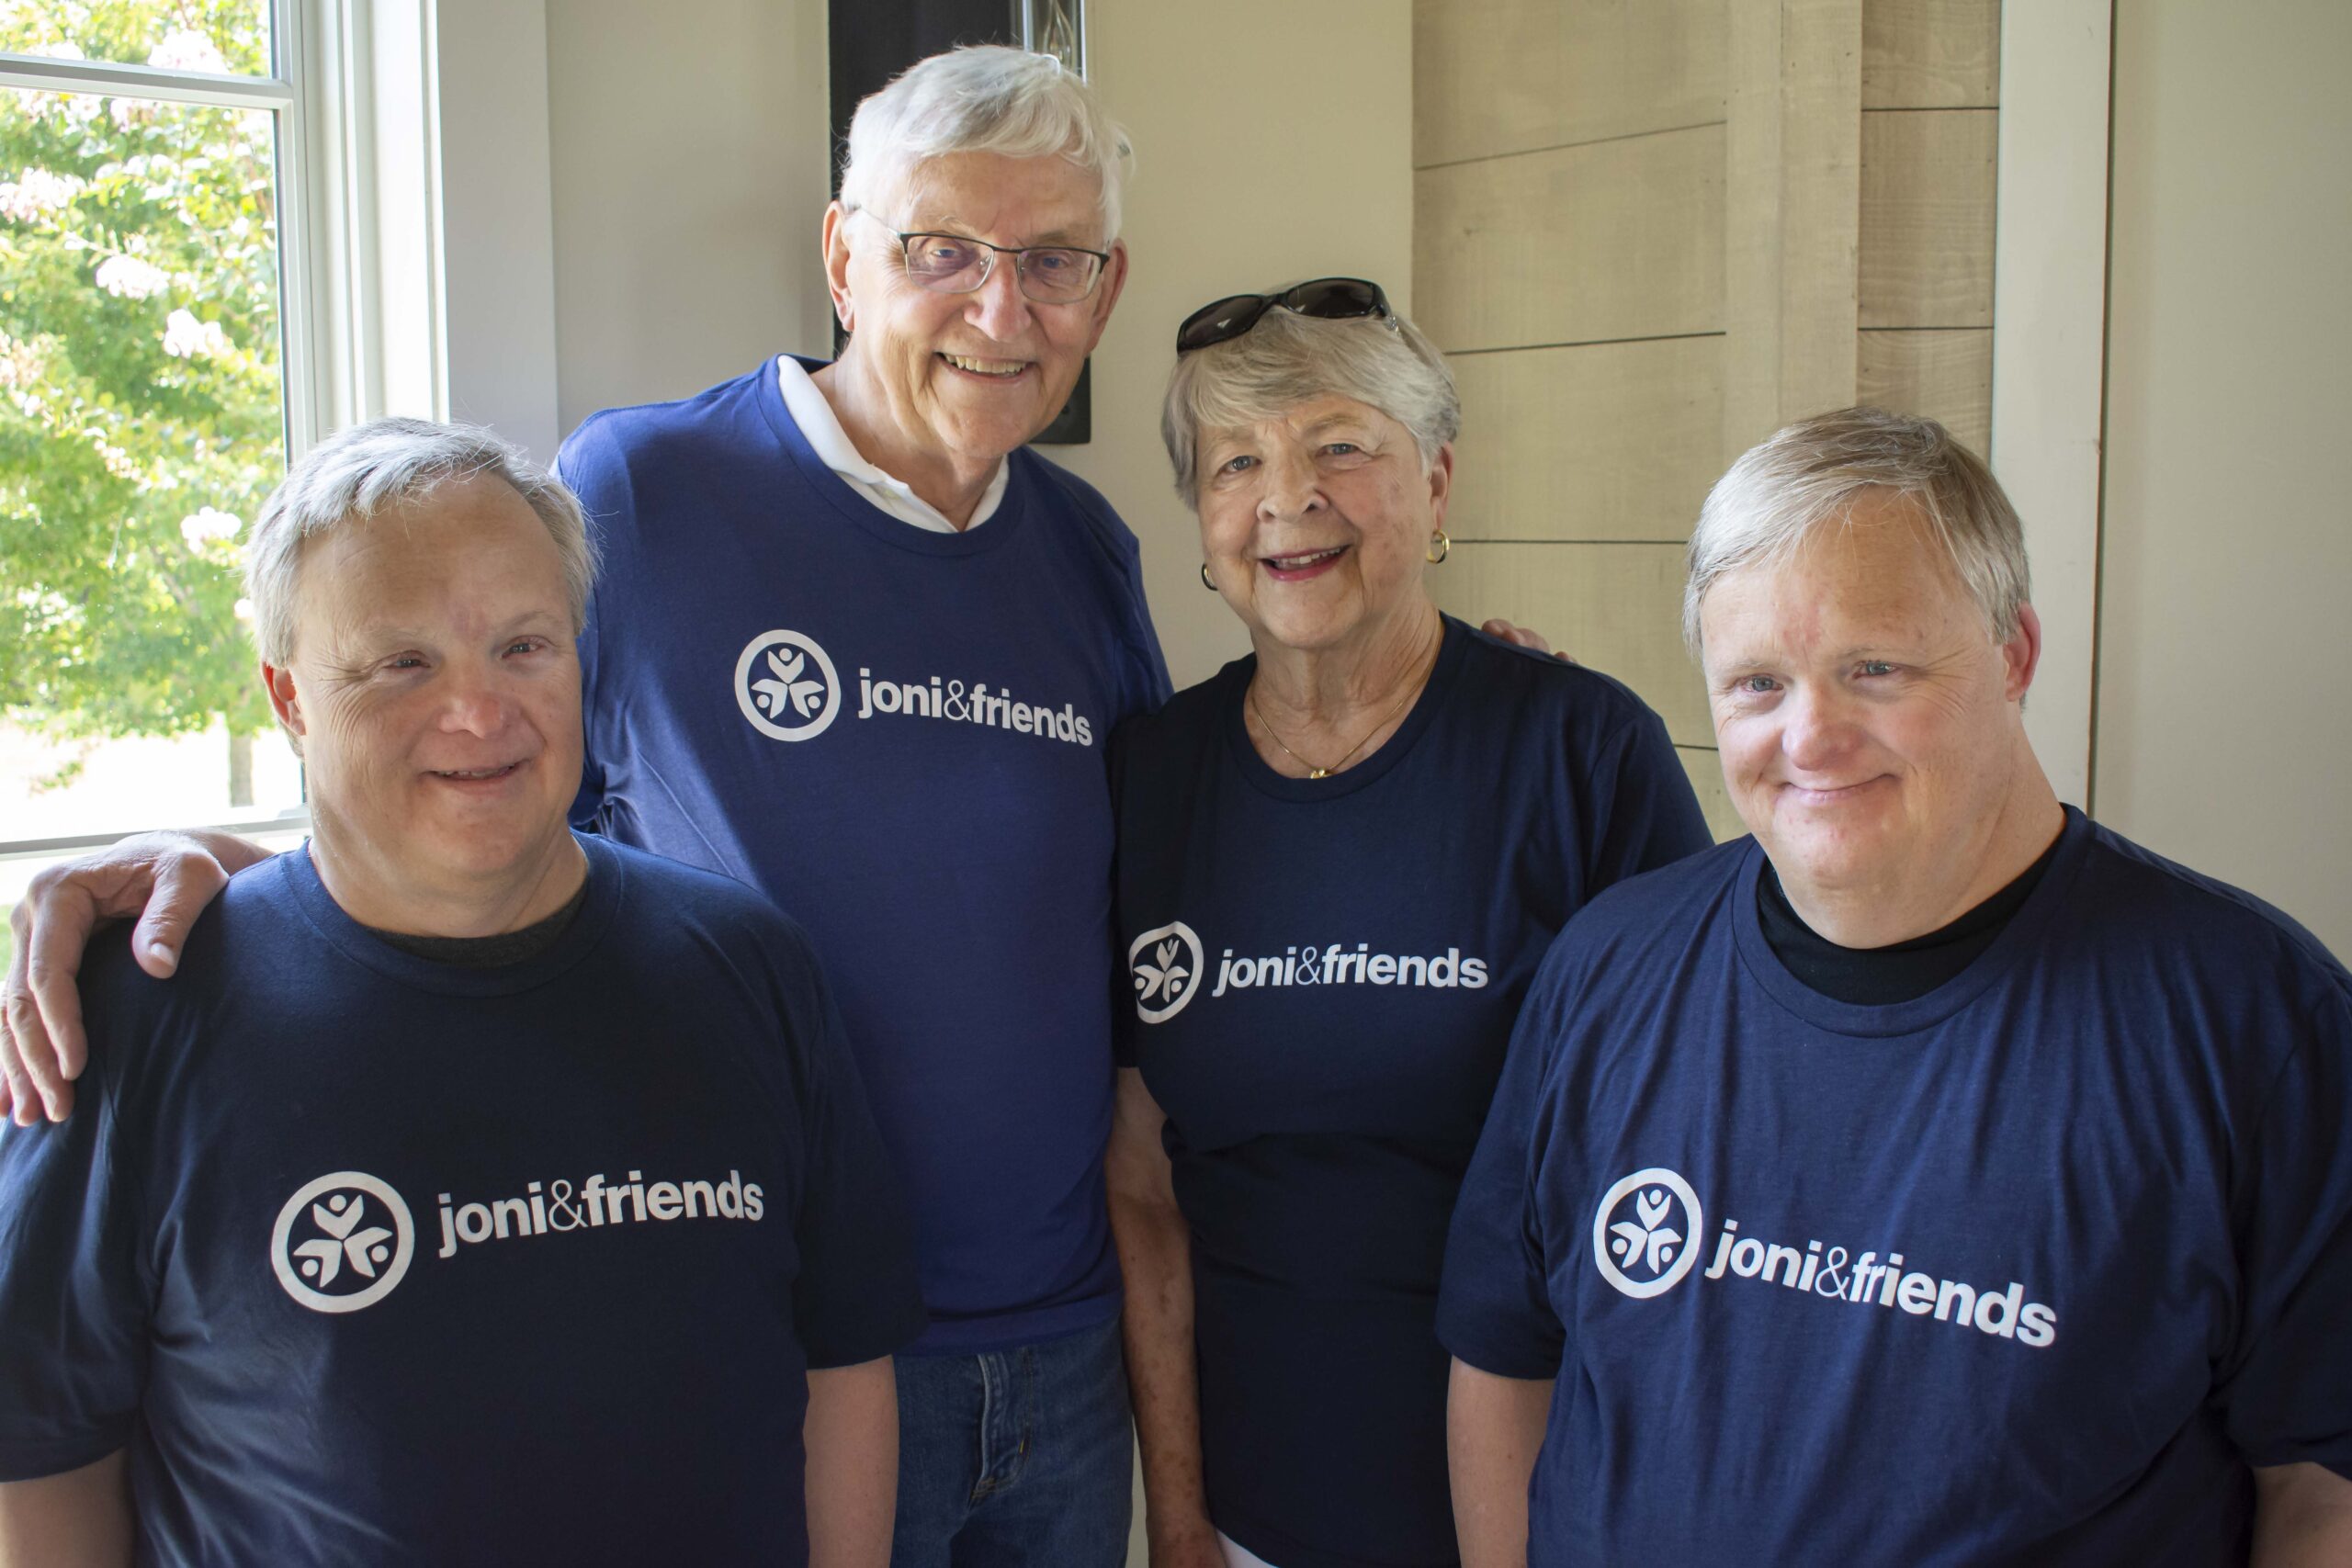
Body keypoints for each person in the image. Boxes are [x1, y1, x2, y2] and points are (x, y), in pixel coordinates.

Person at [0, 48, 1161, 1567]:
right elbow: (464, 740)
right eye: (939, 248)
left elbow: (1168, 879)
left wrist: (1461, 688)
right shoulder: (652, 486)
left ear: (1108, 284)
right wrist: (248, 886)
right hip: (776, 1339)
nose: (999, 309)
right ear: (841, 256)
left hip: (1059, 1342)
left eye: (1052, 261)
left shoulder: (1086, 549)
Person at [0, 419, 926, 1566]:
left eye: (525, 647)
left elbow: (842, 1364)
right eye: (403, 663)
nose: (480, 715)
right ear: (289, 698)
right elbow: (43, 1461)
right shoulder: (137, 1017)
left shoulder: (747, 967)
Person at [1439, 407, 2352, 1566]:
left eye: (1873, 668)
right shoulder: (1608, 970)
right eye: (1758, 683)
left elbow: (2323, 1477)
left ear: (2014, 654)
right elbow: (1506, 1360)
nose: (1808, 736)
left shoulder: (2253, 1026)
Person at [1106, 279, 1712, 1568]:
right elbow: (1144, 1184)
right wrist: (1177, 1515)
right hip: (1251, 1516)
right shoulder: (1152, 776)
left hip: (1546, 1509)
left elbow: (1684, 1159)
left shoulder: (1583, 750)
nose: (1287, 497)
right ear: (1205, 524)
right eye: (1237, 462)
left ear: (1435, 487)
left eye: (1340, 445)